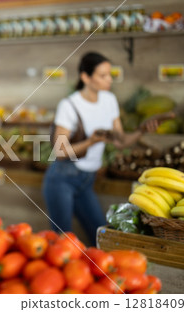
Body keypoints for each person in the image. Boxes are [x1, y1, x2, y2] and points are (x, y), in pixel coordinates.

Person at [42, 52, 159, 246]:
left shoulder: (109, 100)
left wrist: (141, 130)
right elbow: (60, 151)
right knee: (61, 242)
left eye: (109, 74)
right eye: (103, 75)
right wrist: (91, 142)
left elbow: (120, 141)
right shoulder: (70, 105)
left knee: (101, 237)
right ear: (85, 77)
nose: (109, 80)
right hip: (62, 178)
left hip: (87, 180)